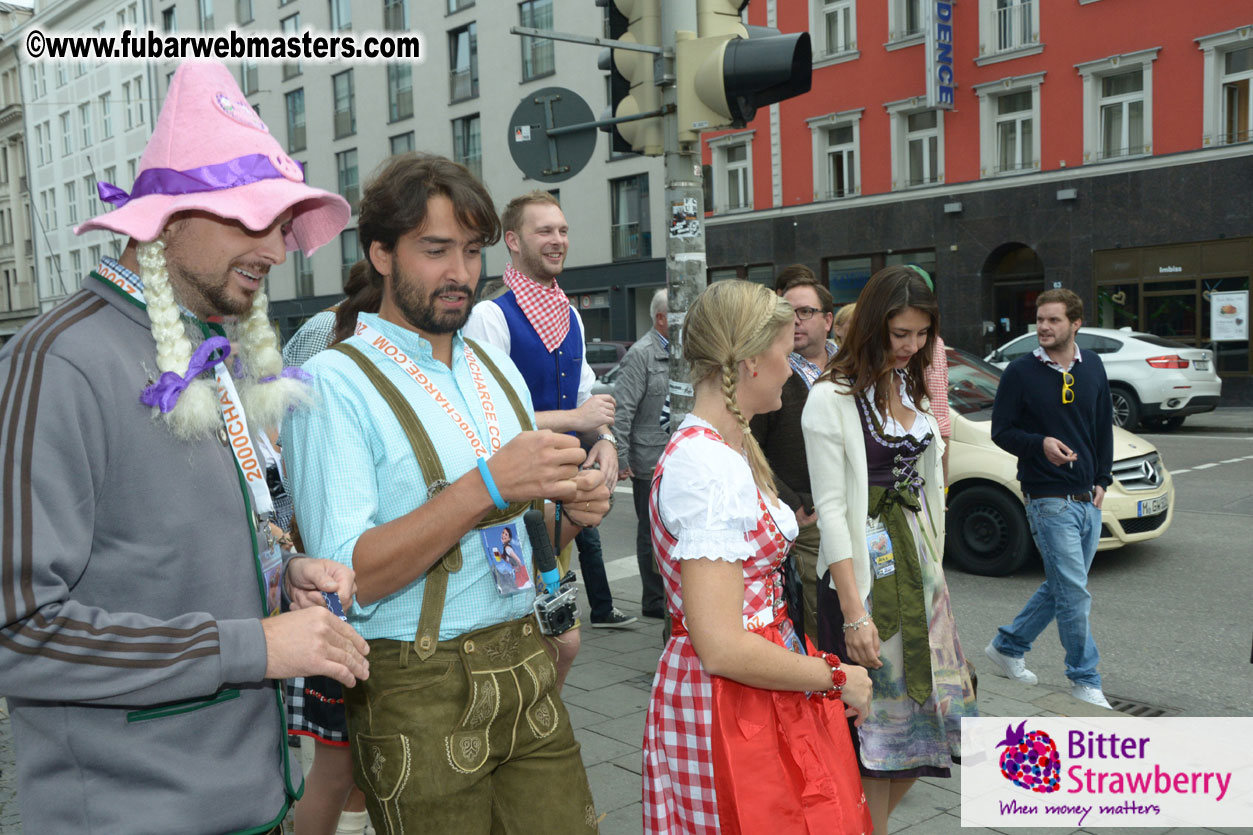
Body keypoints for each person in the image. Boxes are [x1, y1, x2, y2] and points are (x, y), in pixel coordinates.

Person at [0, 61, 370, 834]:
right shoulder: (55, 361)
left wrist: (279, 577)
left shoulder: (209, 353)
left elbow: (160, 562)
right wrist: (253, 644)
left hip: (255, 802)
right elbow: (21, 632)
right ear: (166, 220)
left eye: (283, 221)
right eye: (252, 217)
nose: (277, 246)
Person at [283, 153, 608, 833]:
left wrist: (570, 516)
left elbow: (519, 544)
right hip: (416, 685)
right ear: (380, 252)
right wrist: (486, 485)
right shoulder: (331, 383)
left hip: (524, 657)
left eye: (470, 249)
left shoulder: (494, 368)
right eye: (435, 249)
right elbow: (347, 578)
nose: (459, 271)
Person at [642, 279, 872, 835]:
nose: (792, 369)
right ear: (748, 362)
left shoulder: (725, 449)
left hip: (757, 688)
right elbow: (720, 645)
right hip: (730, 701)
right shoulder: (707, 467)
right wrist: (835, 676)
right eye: (784, 352)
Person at [802, 266, 977, 835]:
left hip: (920, 569)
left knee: (923, 729)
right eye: (900, 334)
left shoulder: (907, 385)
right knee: (875, 734)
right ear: (873, 326)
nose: (912, 346)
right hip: (867, 581)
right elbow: (831, 510)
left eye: (922, 334)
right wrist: (853, 614)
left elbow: (931, 479)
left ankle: (856, 826)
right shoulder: (829, 398)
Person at [465, 190, 636, 646]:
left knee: (557, 637)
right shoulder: (488, 315)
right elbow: (487, 418)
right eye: (544, 231)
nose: (557, 239)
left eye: (562, 230)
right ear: (513, 241)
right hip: (509, 500)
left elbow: (584, 400)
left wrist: (603, 439)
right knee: (538, 636)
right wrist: (577, 418)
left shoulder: (570, 316)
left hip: (557, 497)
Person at [281, 264, 383, 835]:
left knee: (357, 764)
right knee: (338, 764)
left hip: (351, 590)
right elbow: (272, 413)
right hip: (330, 585)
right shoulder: (326, 340)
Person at [985, 288, 1114, 709]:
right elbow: (1001, 432)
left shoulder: (1092, 365)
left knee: (1063, 586)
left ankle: (1008, 646)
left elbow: (1101, 427)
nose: (1043, 327)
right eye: (1039, 319)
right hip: (1047, 497)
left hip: (1087, 499)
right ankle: (1084, 678)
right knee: (1074, 592)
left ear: (1075, 324)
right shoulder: (1020, 373)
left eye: (1053, 320)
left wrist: (1103, 477)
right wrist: (1040, 443)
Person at [749, 276, 836, 646]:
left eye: (806, 311)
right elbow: (746, 445)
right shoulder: (774, 372)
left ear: (828, 320)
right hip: (806, 521)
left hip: (852, 511)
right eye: (789, 312)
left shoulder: (848, 367)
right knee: (815, 616)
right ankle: (821, 690)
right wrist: (792, 501)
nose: (796, 320)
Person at [611, 287, 672, 620]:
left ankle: (669, 594)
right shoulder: (642, 354)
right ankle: (653, 600)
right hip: (649, 460)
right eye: (678, 314)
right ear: (661, 318)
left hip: (677, 457)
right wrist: (621, 457)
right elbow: (623, 411)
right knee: (650, 532)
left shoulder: (683, 351)